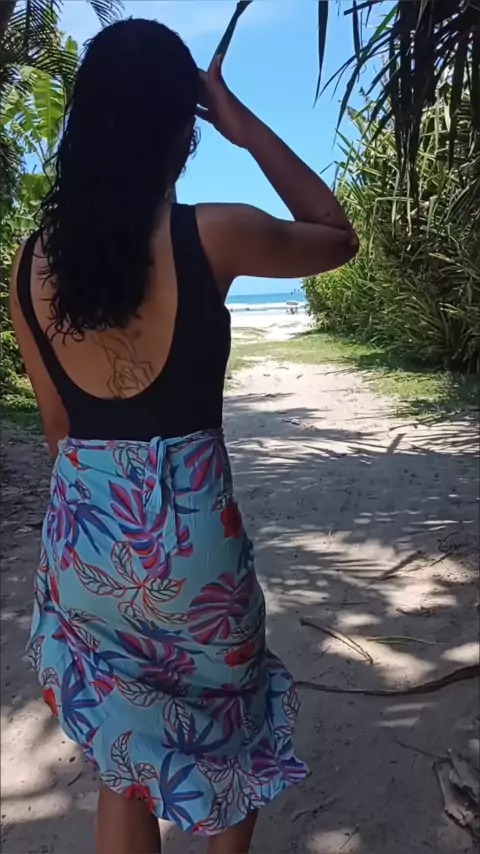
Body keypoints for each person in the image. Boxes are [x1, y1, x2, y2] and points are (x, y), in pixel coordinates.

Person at [10, 19, 358, 854]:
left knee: (127, 763)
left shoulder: (30, 263)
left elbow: (58, 427)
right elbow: (335, 232)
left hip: (86, 547)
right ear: (183, 127)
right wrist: (242, 124)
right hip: (196, 552)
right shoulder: (214, 234)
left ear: (84, 124)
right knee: (233, 743)